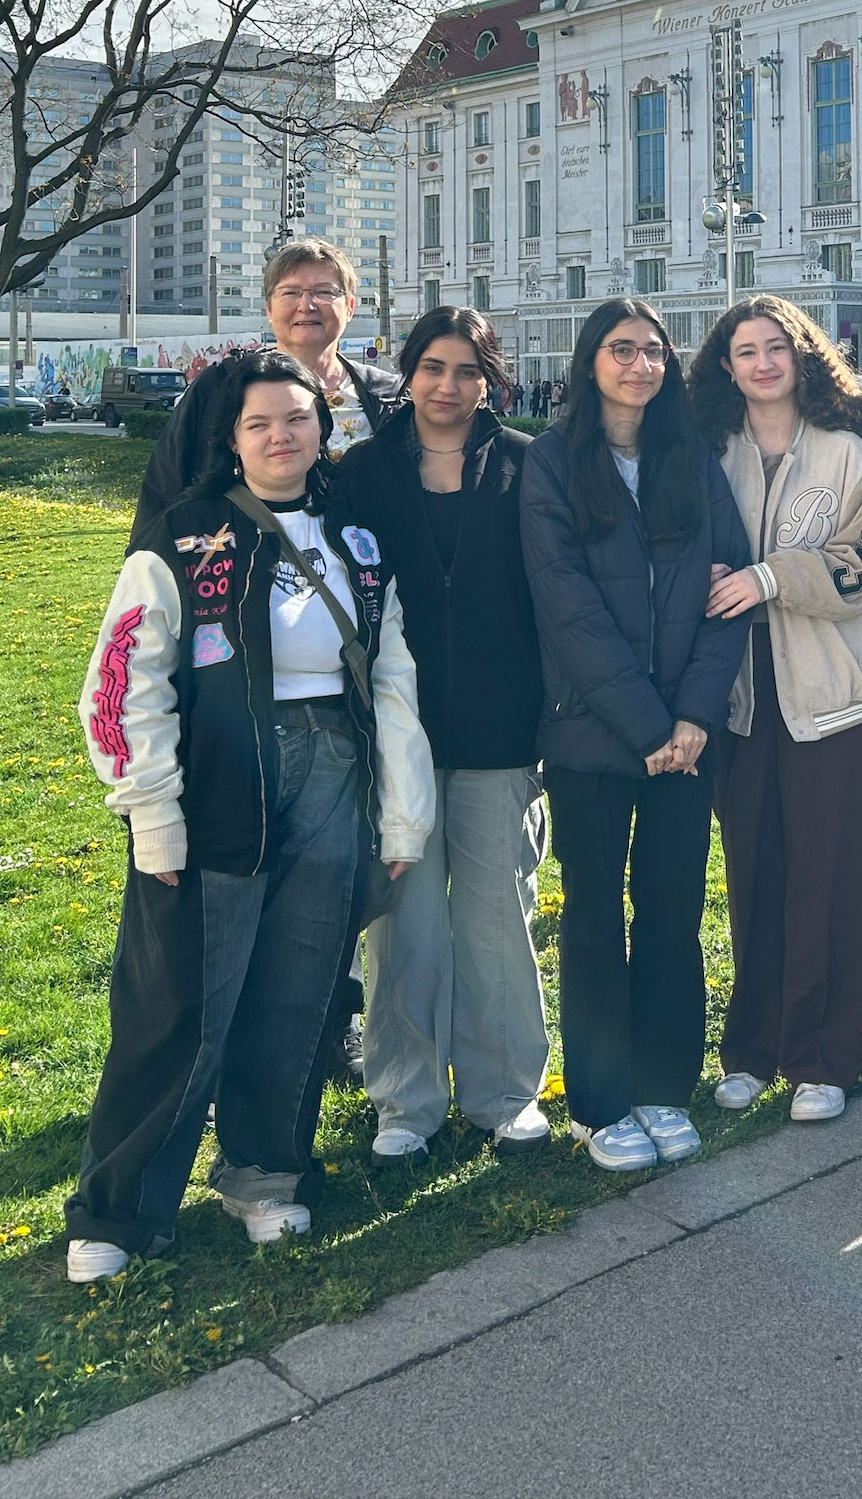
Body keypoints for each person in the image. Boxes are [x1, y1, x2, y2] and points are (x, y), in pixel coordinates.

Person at [65, 352, 434, 1282]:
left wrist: (401, 818)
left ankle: (265, 1175)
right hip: (219, 786)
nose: (281, 438)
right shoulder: (181, 537)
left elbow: (392, 678)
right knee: (179, 1006)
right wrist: (152, 813)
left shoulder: (357, 536)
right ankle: (118, 1209)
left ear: (324, 431)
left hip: (334, 781)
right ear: (231, 439)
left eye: (298, 421)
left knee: (297, 996)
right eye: (261, 424)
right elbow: (120, 687)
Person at [519, 299, 751, 1172]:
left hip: (687, 742)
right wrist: (651, 727)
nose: (641, 365)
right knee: (592, 922)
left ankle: (662, 1087)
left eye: (655, 351)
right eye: (623, 350)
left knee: (671, 915)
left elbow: (727, 600)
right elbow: (567, 610)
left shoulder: (689, 457)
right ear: (590, 363)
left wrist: (691, 719)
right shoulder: (549, 463)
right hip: (592, 739)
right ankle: (601, 1101)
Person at [336, 308, 549, 1160]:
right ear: (407, 373)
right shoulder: (361, 472)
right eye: (431, 367)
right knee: (404, 926)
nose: (447, 386)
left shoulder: (529, 466)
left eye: (466, 370)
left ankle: (504, 1093)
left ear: (489, 380)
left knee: (501, 920)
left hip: (503, 729)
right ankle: (405, 1101)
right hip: (399, 739)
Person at [690, 296, 862, 1125]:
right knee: (753, 877)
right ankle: (751, 1049)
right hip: (737, 704)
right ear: (726, 367)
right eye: (745, 351)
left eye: (776, 347)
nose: (763, 363)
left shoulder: (848, 454)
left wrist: (772, 577)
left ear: (803, 356)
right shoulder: (709, 454)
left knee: (831, 878)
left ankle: (822, 1058)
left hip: (831, 702)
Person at [132, 239, 402, 545]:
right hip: (240, 576)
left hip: (370, 576)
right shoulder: (219, 389)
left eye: (324, 292)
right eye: (290, 292)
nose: (307, 305)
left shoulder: (389, 397)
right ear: (269, 308)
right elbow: (164, 490)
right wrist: (149, 566)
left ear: (350, 307)